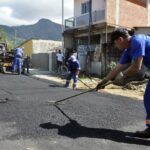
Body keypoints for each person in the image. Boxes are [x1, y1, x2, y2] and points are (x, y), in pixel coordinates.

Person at [96, 28, 150, 138]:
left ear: (120, 39)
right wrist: (104, 81)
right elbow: (117, 68)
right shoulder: (128, 50)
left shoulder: (137, 41)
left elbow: (136, 67)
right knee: (148, 99)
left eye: (115, 43)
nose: (115, 46)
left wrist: (123, 75)